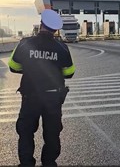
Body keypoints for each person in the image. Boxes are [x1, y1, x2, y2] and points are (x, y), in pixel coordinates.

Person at [8, 9, 76, 166]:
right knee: (52, 134)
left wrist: (30, 68)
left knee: (25, 133)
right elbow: (69, 73)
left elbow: (13, 66)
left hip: (30, 97)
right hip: (53, 98)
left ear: (41, 25)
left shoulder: (25, 43)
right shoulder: (62, 48)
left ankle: (26, 163)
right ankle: (49, 163)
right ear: (55, 29)